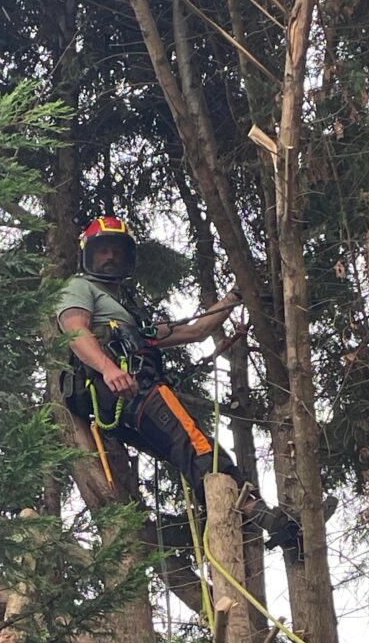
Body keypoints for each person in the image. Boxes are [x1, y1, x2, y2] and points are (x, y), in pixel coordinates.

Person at [56, 215, 306, 554]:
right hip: (122, 387)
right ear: (88, 255)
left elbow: (196, 331)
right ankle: (256, 511)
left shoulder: (128, 314)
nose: (110, 257)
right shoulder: (79, 287)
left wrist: (236, 296)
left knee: (187, 446)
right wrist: (109, 369)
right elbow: (75, 330)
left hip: (131, 390)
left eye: (116, 251)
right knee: (194, 442)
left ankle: (253, 516)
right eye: (103, 251)